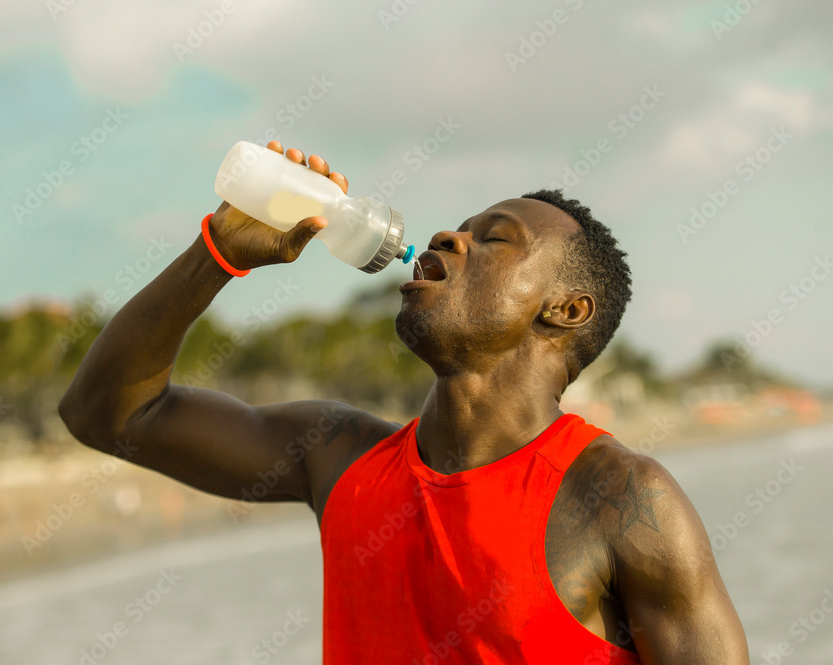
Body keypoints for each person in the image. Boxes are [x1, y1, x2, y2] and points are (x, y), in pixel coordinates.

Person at [58, 141, 750, 663]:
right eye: (461, 226)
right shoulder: (332, 453)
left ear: (566, 310)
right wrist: (219, 251)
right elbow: (109, 414)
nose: (452, 237)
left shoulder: (621, 498)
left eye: (496, 237)